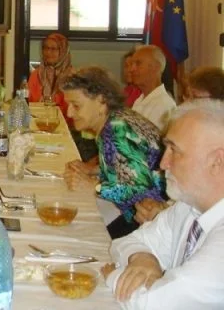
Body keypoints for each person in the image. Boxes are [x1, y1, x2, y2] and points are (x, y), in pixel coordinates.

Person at [101, 99, 224, 309]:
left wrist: (113, 275)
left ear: (217, 161)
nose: (163, 163)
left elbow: (154, 303)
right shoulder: (189, 208)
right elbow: (125, 242)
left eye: (174, 150)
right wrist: (143, 259)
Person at [60, 67, 166, 239]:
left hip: (155, 223)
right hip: (141, 217)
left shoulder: (118, 129)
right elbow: (127, 166)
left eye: (76, 105)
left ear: (101, 101)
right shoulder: (116, 119)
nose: (69, 112)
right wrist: (94, 170)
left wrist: (95, 187)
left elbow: (140, 190)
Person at [129, 45, 176, 130]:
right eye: (132, 64)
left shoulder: (164, 105)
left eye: (138, 64)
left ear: (156, 67)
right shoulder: (139, 100)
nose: (132, 69)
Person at [27, 32, 73, 114]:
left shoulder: (72, 77)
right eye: (45, 48)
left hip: (64, 120)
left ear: (63, 51)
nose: (48, 52)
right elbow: (28, 102)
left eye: (53, 49)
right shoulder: (36, 74)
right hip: (37, 118)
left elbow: (72, 107)